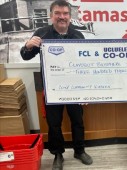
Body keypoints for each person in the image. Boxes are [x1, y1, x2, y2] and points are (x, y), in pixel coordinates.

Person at [20, 1, 92, 170]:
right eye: (58, 13)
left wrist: (86, 90)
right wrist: (27, 46)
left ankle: (79, 151)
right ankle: (58, 154)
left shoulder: (78, 36)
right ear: (51, 15)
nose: (62, 17)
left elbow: (85, 65)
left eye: (65, 13)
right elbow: (25, 56)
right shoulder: (41, 33)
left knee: (77, 121)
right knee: (54, 124)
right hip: (52, 90)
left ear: (70, 16)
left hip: (74, 88)